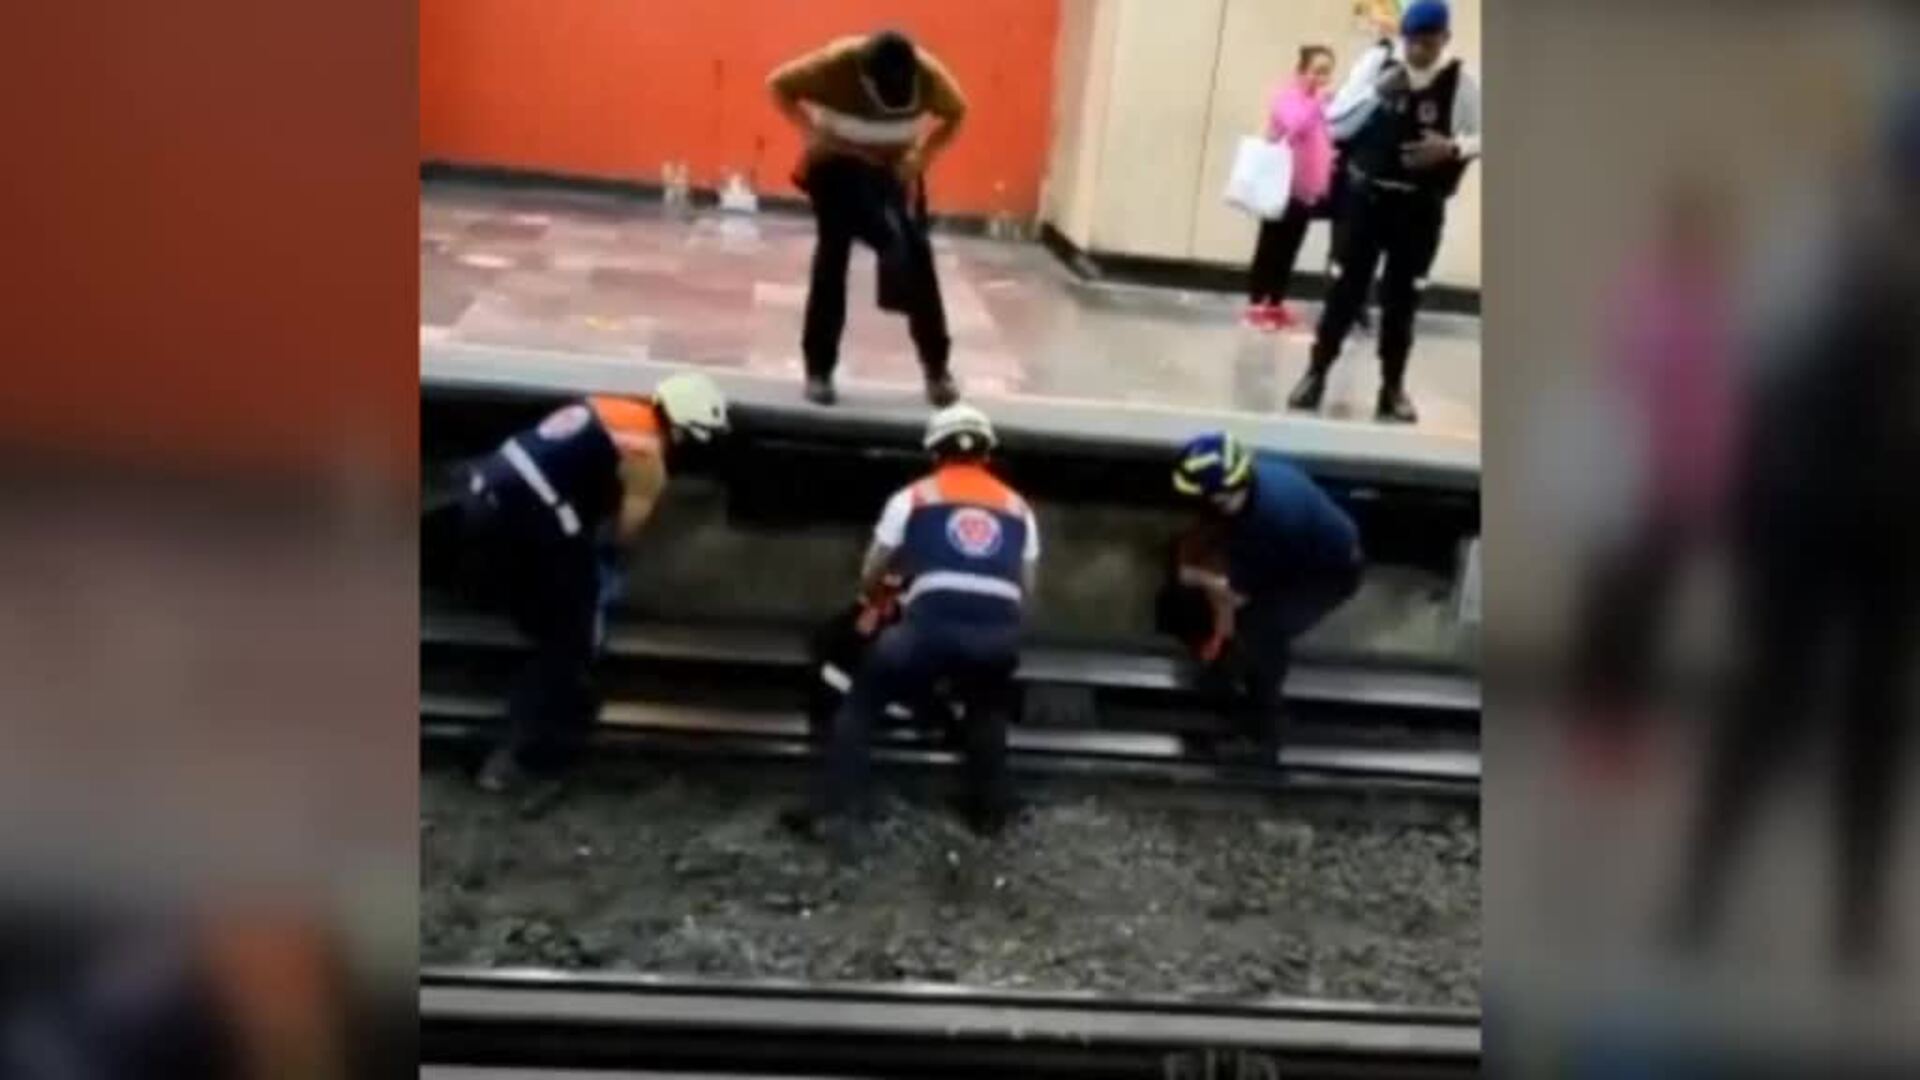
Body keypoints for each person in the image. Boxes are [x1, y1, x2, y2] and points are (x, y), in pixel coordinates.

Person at [441, 373, 729, 795]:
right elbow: (628, 527)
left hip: (480, 491)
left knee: (542, 619)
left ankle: (494, 746)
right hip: (533, 518)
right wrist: (610, 557)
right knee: (570, 642)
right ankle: (514, 759)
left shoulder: (602, 407)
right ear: (685, 427)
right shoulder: (648, 451)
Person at [786, 404, 1037, 838]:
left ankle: (834, 810)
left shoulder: (913, 497)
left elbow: (873, 570)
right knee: (987, 707)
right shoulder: (1019, 508)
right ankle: (991, 815)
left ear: (934, 452)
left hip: (928, 632)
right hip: (998, 636)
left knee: (862, 701)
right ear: (986, 454)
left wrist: (883, 595)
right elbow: (1026, 584)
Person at [1289, 0, 1481, 424]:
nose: (1417, 51)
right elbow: (1335, 124)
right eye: (1411, 42)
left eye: (1427, 43)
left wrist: (1452, 148)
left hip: (1419, 208)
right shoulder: (1377, 65)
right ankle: (1316, 372)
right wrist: (1377, 94)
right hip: (1367, 201)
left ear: (1445, 39)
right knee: (1344, 290)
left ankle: (1392, 387)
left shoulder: (1461, 83)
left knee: (1403, 300)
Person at [768, 30, 967, 408]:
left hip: (892, 169)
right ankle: (819, 370)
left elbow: (957, 114)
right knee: (834, 252)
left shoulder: (929, 75)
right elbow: (777, 85)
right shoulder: (834, 65)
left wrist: (920, 158)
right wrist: (812, 133)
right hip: (836, 166)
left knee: (917, 253)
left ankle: (937, 369)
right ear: (865, 77)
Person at [1170, 433, 1363, 764]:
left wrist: (1197, 577)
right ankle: (1228, 670)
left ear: (1225, 493)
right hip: (1298, 549)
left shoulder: (1270, 521)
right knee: (1239, 616)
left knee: (1262, 632)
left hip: (1328, 572)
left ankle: (1262, 736)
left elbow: (1236, 594)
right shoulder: (1251, 481)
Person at [1244, 45, 1339, 331]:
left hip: (1305, 191)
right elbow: (1295, 126)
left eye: (1327, 73)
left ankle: (1276, 301)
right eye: (1317, 72)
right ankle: (1256, 303)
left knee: (1290, 248)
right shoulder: (1288, 98)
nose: (1322, 79)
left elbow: (1323, 140)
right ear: (1301, 71)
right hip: (1281, 187)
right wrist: (1317, 103)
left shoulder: (1320, 106)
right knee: (1271, 245)